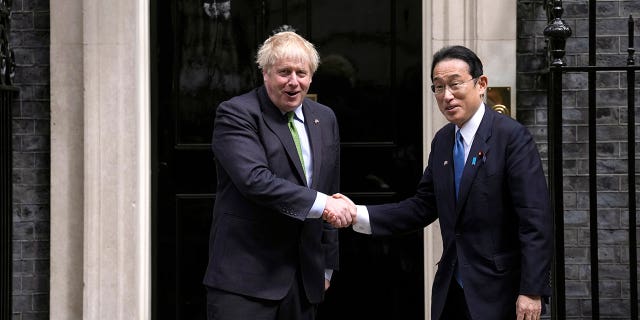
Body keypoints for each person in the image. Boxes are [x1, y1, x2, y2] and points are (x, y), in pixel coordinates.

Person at [327, 45, 553, 320]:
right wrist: (357, 214)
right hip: (452, 289)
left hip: (499, 290)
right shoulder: (444, 140)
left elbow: (535, 220)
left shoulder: (511, 138)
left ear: (481, 84)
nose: (447, 95)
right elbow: (422, 206)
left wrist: (532, 291)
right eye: (438, 87)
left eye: (455, 84)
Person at [203, 28, 354, 320]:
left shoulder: (325, 118)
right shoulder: (236, 113)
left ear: (311, 76)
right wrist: (324, 205)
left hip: (304, 279)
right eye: (284, 72)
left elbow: (330, 188)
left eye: (302, 72)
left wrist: (326, 266)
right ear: (265, 73)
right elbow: (254, 180)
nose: (294, 82)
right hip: (245, 281)